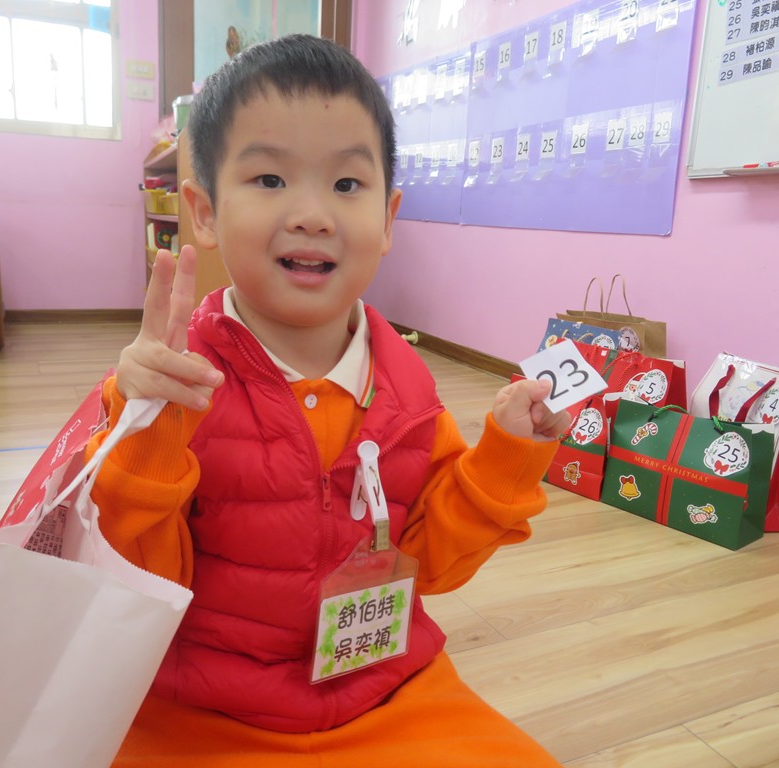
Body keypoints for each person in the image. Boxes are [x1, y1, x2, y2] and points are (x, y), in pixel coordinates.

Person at [86, 33, 570, 767]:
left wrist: (506, 458)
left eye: (347, 185)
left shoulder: (408, 391)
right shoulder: (169, 384)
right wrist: (146, 430)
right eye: (270, 179)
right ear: (204, 211)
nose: (313, 213)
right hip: (199, 704)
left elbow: (434, 566)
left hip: (384, 689)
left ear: (388, 218)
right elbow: (138, 583)